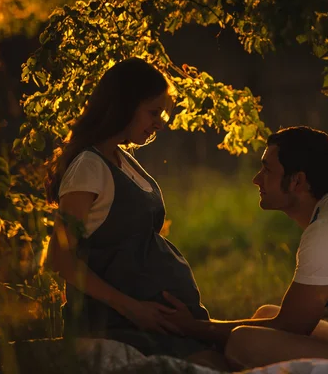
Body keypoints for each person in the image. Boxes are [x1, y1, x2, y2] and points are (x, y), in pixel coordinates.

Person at [163, 126, 328, 370]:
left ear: (297, 181)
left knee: (243, 341)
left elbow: (292, 326)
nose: (256, 179)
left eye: (267, 170)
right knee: (265, 314)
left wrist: (195, 328)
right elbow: (287, 321)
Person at [44, 57, 228, 369]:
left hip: (156, 322)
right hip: (119, 324)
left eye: (163, 113)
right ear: (124, 105)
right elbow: (60, 258)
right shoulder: (88, 167)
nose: (161, 122)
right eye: (153, 112)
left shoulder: (122, 159)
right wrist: (132, 308)